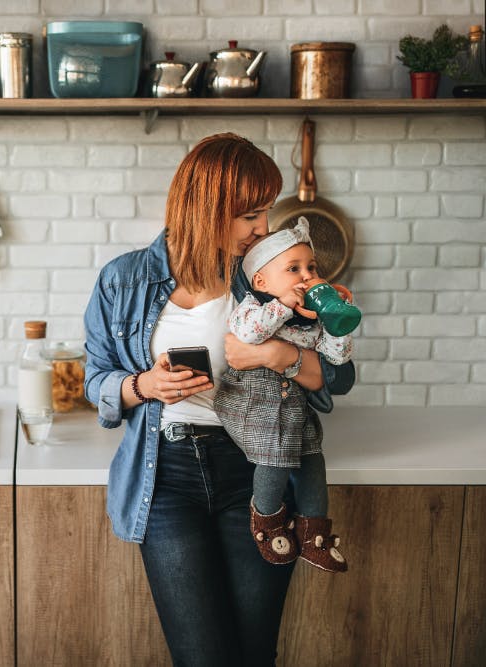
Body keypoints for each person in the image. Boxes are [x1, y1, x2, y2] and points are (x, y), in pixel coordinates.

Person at [83, 133, 355, 666]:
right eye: (250, 215)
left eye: (265, 212)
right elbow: (96, 379)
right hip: (166, 477)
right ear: (206, 208)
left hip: (256, 470)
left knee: (254, 653)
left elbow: (338, 378)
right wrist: (145, 386)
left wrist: (278, 355)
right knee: (200, 657)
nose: (263, 228)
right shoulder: (124, 279)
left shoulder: (266, 276)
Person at [215, 217, 353, 574]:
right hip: (256, 401)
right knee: (274, 459)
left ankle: (313, 533)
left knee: (312, 461)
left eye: (311, 268)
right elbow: (249, 334)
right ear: (261, 281)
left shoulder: (311, 317)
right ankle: (267, 521)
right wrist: (284, 306)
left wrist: (336, 322)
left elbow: (336, 360)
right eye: (294, 269)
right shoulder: (251, 306)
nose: (307, 276)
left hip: (294, 406)